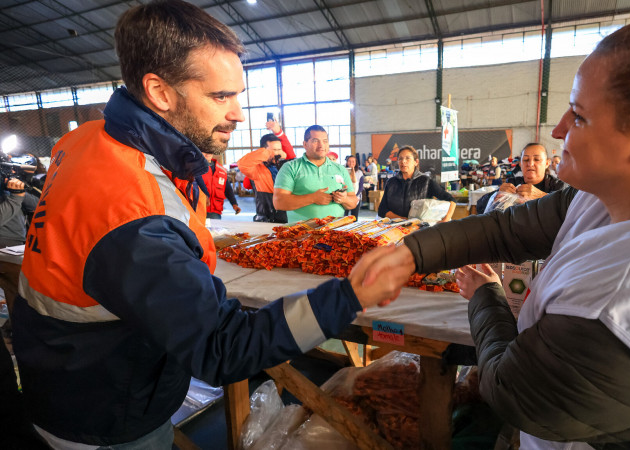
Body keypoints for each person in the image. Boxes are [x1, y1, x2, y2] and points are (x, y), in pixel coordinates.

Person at [360, 13, 630, 449]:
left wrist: (485, 297)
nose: (558, 131)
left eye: (580, 116)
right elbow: (509, 229)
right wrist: (412, 254)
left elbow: (514, 392)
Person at [11, 1, 410, 448]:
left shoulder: (85, 139)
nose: (239, 113)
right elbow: (223, 348)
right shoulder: (135, 216)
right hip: (105, 415)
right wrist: (350, 295)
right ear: (160, 92)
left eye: (237, 94)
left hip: (67, 374)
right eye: (221, 96)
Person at [273, 125, 358, 223]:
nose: (321, 145)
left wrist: (344, 199)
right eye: (315, 141)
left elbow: (353, 202)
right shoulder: (290, 167)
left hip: (335, 233)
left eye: (325, 141)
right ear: (305, 144)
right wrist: (312, 198)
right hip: (301, 234)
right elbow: (279, 202)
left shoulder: (340, 169)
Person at [478, 143, 565, 214]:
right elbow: (480, 206)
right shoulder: (513, 183)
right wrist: (496, 196)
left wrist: (543, 197)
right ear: (520, 164)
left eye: (537, 159)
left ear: (547, 163)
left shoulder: (558, 186)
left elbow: (569, 210)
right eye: (526, 160)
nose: (530, 164)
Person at [377, 145, 454, 219]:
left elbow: (451, 200)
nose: (403, 161)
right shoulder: (391, 182)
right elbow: (382, 210)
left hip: (419, 230)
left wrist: (446, 220)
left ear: (416, 162)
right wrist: (401, 219)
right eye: (400, 158)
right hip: (395, 229)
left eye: (407, 158)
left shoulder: (426, 181)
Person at [238, 130, 293, 223]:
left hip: (286, 217)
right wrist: (268, 153)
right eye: (274, 150)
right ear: (263, 150)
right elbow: (242, 163)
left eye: (279, 149)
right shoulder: (256, 169)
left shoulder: (284, 166)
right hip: (266, 219)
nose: (278, 153)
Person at [201, 152, 241, 219]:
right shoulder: (194, 168)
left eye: (209, 151)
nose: (207, 153)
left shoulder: (221, 170)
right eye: (204, 151)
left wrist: (234, 204)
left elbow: (228, 189)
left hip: (215, 211)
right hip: (197, 210)